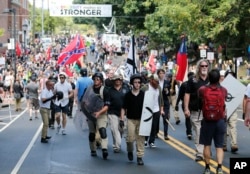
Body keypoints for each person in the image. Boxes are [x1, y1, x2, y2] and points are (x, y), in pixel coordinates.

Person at [198, 69, 227, 174]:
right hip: (219, 120)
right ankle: (219, 167)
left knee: (207, 145)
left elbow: (200, 99)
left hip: (207, 121)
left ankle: (207, 168)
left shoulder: (202, 89)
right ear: (219, 78)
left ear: (209, 78)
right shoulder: (223, 90)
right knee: (219, 146)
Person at [184, 59, 210, 162]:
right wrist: (186, 108)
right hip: (196, 110)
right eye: (202, 66)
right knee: (198, 131)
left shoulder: (211, 78)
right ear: (199, 67)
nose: (204, 68)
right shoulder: (193, 79)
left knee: (208, 132)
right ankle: (200, 153)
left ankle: (206, 150)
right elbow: (187, 94)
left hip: (209, 111)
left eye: (206, 66)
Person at [82, 72, 110, 159]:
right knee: (92, 134)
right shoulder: (89, 89)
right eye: (94, 79)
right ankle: (93, 149)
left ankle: (104, 149)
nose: (96, 80)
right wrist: (86, 108)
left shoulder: (105, 90)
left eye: (98, 79)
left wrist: (99, 112)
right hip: (91, 114)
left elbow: (107, 105)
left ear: (101, 81)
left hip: (101, 114)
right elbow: (83, 101)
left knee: (102, 131)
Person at [121, 73, 145, 165]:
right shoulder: (127, 95)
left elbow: (148, 108)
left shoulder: (143, 95)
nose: (137, 84)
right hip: (130, 119)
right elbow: (123, 108)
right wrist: (122, 119)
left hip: (141, 120)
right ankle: (130, 151)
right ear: (132, 83)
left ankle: (140, 156)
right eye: (135, 82)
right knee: (130, 139)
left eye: (139, 82)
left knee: (140, 139)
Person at [108, 74, 130, 153]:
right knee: (114, 129)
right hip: (112, 112)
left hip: (123, 113)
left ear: (121, 81)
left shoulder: (126, 90)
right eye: (116, 80)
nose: (117, 81)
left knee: (121, 129)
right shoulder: (110, 91)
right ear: (113, 81)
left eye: (119, 80)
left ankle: (116, 142)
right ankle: (117, 146)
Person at [142, 73, 164, 148]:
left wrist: (161, 109)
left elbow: (161, 99)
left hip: (156, 109)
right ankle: (145, 140)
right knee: (146, 125)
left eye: (158, 82)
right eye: (156, 82)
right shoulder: (145, 88)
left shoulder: (159, 88)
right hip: (147, 109)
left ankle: (152, 141)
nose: (157, 83)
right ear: (151, 80)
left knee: (154, 126)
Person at [222, 70, 239, 153]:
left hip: (233, 109)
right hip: (223, 109)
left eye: (232, 76)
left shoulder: (237, 87)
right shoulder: (222, 86)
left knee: (233, 126)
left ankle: (234, 144)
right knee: (223, 127)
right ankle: (224, 144)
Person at [175, 72, 195, 140]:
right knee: (188, 118)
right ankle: (189, 132)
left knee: (190, 118)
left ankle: (189, 131)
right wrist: (176, 104)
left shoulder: (195, 84)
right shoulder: (184, 84)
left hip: (193, 103)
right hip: (186, 103)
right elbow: (180, 94)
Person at [157, 69, 171, 140]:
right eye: (160, 73)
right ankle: (156, 132)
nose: (162, 74)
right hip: (157, 102)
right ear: (158, 74)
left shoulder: (167, 82)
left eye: (163, 73)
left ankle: (165, 134)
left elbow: (168, 94)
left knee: (165, 118)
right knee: (156, 118)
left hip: (165, 102)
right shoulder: (156, 82)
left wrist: (167, 91)